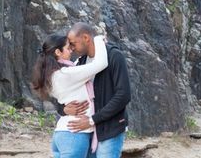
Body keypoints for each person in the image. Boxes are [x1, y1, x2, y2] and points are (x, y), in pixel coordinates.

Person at [31, 33, 108, 158]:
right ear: (58, 52)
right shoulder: (66, 74)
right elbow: (101, 64)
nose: (71, 50)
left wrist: (64, 109)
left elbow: (78, 67)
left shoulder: (54, 74)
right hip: (74, 135)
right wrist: (98, 40)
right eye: (68, 48)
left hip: (65, 133)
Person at [62, 23, 131, 158]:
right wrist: (63, 109)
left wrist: (93, 119)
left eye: (73, 43)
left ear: (86, 38)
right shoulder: (81, 61)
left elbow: (123, 95)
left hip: (110, 128)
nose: (71, 48)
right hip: (87, 131)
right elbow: (65, 91)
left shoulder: (114, 56)